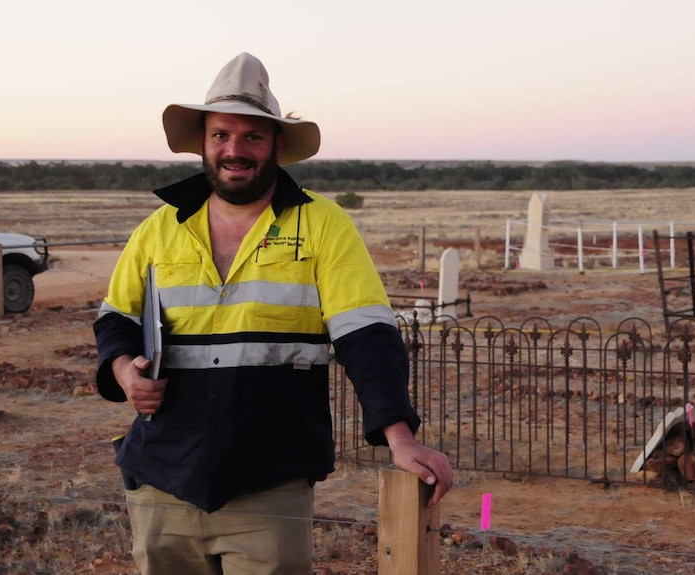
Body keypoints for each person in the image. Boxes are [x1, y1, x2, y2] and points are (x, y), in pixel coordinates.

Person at [93, 52, 453, 575]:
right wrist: (124, 369)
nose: (234, 150)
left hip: (267, 481)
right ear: (202, 142)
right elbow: (115, 318)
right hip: (161, 480)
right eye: (220, 135)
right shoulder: (158, 228)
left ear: (278, 146)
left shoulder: (323, 224)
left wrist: (398, 436)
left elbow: (366, 333)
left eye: (252, 137)